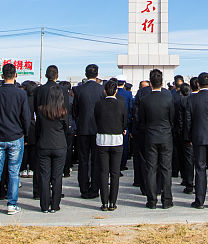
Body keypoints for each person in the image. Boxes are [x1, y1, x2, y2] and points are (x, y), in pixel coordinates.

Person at [0, 63, 31, 215]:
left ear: (2, 76)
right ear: (16, 75)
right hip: (16, 136)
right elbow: (26, 116)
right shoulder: (21, 94)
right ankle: (12, 204)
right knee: (13, 172)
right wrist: (25, 132)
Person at [134, 69, 175, 209]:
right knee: (166, 169)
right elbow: (172, 118)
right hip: (165, 136)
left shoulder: (145, 100)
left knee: (151, 169)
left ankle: (151, 200)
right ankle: (167, 200)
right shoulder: (168, 98)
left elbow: (142, 119)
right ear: (162, 83)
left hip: (150, 136)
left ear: (150, 83)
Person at [184, 71, 208, 208]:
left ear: (198, 84)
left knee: (200, 169)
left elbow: (188, 121)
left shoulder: (191, 99)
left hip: (198, 137)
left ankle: (199, 200)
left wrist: (189, 137)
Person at [33, 85, 72, 212]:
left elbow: (38, 128)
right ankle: (55, 205)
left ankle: (44, 205)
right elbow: (66, 129)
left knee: (44, 176)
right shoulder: (63, 112)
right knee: (57, 176)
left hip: (44, 144)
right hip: (59, 145)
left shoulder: (41, 110)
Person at [71, 66, 104, 200]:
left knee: (83, 160)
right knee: (96, 160)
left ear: (85, 74)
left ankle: (84, 189)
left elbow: (75, 111)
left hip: (83, 129)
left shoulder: (79, 90)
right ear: (97, 74)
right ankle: (95, 189)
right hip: (97, 129)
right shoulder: (101, 90)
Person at [94, 78, 127, 211]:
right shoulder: (121, 104)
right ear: (116, 91)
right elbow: (124, 121)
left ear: (105, 91)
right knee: (115, 172)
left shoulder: (99, 104)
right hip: (117, 140)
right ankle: (113, 202)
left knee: (103, 172)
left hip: (102, 139)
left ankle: (104, 202)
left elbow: (96, 119)